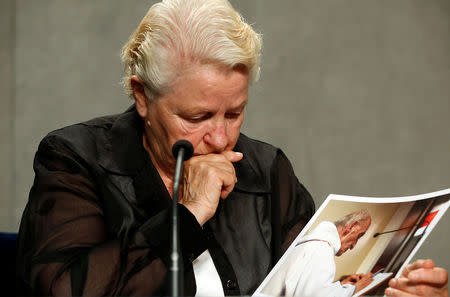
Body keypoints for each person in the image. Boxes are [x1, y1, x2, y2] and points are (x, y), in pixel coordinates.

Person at [16, 0, 448, 296]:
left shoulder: (265, 168)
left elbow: (310, 284)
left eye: (234, 113)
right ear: (142, 96)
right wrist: (184, 217)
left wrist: (391, 290)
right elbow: (61, 289)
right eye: (198, 117)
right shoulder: (75, 158)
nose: (221, 139)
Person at [261, 210, 373, 297]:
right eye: (359, 236)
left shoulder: (314, 244)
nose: (353, 246)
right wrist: (356, 289)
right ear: (351, 227)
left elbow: (304, 289)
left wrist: (342, 285)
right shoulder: (321, 250)